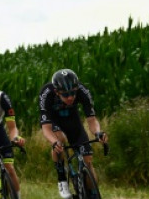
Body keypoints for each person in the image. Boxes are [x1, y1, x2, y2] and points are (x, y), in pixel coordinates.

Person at [39, 68, 108, 199]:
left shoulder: (82, 90)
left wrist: (98, 133)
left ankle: (93, 194)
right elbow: (46, 128)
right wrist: (54, 143)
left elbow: (92, 120)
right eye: (65, 95)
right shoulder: (46, 93)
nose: (70, 97)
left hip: (72, 120)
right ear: (56, 92)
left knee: (88, 160)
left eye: (73, 93)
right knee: (60, 139)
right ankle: (62, 179)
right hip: (54, 121)